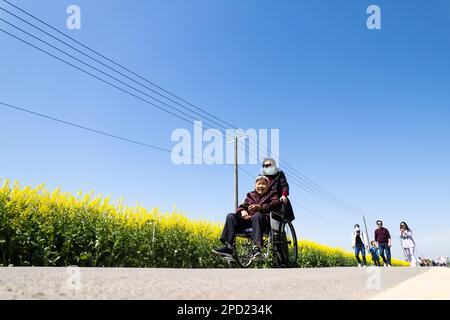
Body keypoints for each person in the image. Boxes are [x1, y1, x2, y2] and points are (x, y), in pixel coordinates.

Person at [212, 176, 281, 262]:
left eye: (263, 184)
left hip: (263, 220)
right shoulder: (250, 195)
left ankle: (257, 248)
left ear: (268, 186)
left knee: (257, 215)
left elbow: (275, 204)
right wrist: (243, 211)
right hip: (249, 220)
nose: (261, 186)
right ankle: (228, 247)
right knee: (231, 216)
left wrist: (260, 207)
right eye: (259, 184)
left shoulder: (272, 194)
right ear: (255, 185)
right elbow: (241, 206)